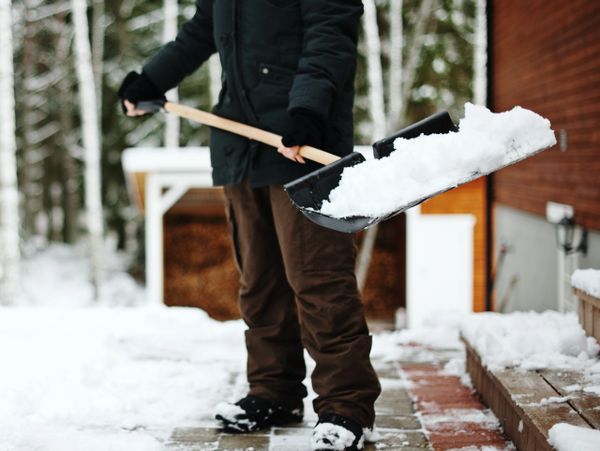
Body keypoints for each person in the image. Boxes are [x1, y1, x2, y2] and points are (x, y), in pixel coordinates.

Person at [118, 1, 380, 450]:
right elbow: (202, 30)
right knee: (259, 281)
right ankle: (274, 391)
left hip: (302, 145)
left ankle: (346, 406)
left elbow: (330, 36)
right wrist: (153, 77)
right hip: (242, 142)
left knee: (318, 280)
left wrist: (309, 111)